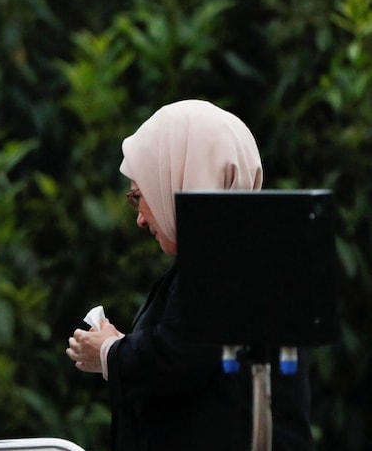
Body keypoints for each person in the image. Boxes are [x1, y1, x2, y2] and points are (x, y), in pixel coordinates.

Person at [65, 100, 313, 450]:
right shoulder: (246, 246)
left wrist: (109, 352)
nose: (140, 218)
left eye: (140, 195)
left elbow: (180, 353)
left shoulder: (226, 258)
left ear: (179, 180)